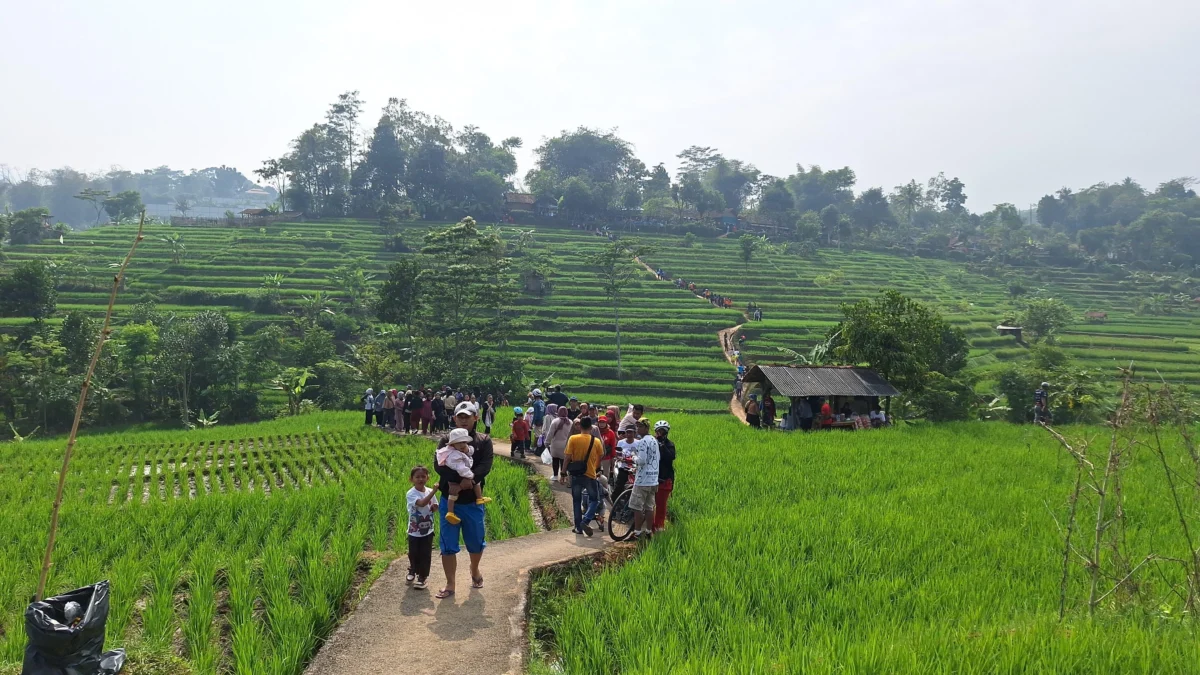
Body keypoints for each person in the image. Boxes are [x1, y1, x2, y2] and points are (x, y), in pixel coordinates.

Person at [434, 402, 493, 599]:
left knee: (476, 542)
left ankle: (474, 569)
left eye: (468, 416)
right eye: (460, 416)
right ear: (455, 418)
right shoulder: (445, 440)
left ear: (476, 418)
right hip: (450, 501)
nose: (464, 419)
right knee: (448, 544)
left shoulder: (483, 441)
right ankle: (450, 583)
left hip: (472, 502)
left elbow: (485, 465)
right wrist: (461, 481)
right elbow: (439, 466)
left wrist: (471, 480)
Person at [564, 417, 602, 536]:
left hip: (576, 475)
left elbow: (567, 457)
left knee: (576, 501)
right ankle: (585, 520)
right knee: (594, 500)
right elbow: (600, 458)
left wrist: (562, 473)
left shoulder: (573, 439)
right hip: (590, 475)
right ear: (591, 428)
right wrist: (595, 469)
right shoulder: (596, 441)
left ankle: (578, 528)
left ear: (580, 426)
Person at [406, 465, 438, 589]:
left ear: (427, 478)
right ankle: (412, 570)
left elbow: (434, 505)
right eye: (417, 477)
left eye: (423, 476)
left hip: (428, 529)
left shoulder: (430, 491)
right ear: (411, 479)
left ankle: (422, 577)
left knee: (426, 554)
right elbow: (422, 503)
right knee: (413, 553)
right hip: (414, 530)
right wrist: (434, 491)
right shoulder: (411, 493)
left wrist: (435, 508)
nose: (420, 479)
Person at [630, 419, 660, 540]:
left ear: (646, 428)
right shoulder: (654, 440)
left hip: (643, 480)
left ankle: (637, 532)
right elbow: (658, 458)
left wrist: (634, 458)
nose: (638, 429)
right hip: (653, 479)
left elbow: (641, 460)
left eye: (640, 427)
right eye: (637, 426)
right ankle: (648, 531)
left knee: (637, 507)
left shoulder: (642, 442)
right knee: (649, 507)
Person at [652, 420, 676, 532]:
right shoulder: (651, 442)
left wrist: (662, 445)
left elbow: (670, 457)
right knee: (649, 505)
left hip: (664, 479)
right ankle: (650, 527)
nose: (660, 433)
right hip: (651, 477)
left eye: (663, 431)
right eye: (658, 431)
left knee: (661, 506)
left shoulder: (670, 445)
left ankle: (659, 527)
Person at [547, 405, 573, 482]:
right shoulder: (570, 422)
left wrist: (547, 442)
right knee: (563, 461)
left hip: (555, 444)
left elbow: (550, 433)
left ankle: (555, 476)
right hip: (566, 445)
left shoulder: (555, 421)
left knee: (555, 460)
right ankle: (563, 476)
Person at [614, 425, 637, 496]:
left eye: (631, 432)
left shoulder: (638, 443)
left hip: (635, 468)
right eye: (627, 432)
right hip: (624, 467)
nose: (629, 434)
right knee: (619, 487)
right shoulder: (621, 442)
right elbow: (617, 454)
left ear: (634, 433)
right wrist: (620, 458)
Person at [596, 415, 617, 481]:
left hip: (606, 457)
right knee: (595, 474)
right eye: (600, 422)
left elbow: (613, 445)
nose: (601, 424)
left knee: (605, 475)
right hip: (596, 457)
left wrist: (613, 457)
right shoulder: (595, 431)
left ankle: (605, 489)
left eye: (603, 422)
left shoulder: (610, 433)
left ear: (606, 423)